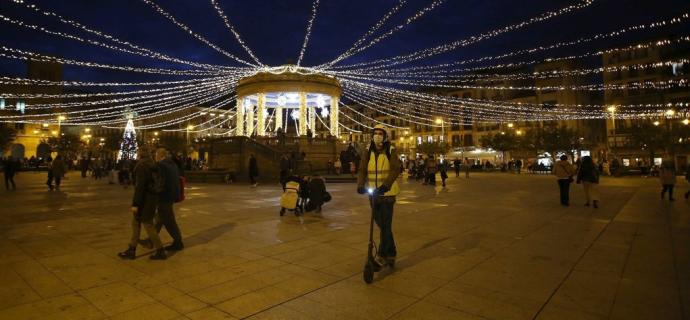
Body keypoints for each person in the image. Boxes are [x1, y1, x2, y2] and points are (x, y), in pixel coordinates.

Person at [357, 124, 401, 269]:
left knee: (385, 225)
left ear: (385, 136)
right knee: (382, 225)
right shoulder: (368, 150)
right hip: (373, 194)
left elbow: (395, 169)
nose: (377, 135)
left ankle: (382, 255)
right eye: (375, 133)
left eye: (380, 133)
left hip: (387, 194)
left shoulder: (390, 150)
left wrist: (386, 186)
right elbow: (362, 169)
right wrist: (360, 185)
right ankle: (392, 253)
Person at [118, 146, 166, 260]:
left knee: (147, 224)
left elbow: (140, 187)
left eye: (138, 152)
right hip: (152, 198)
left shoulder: (141, 166)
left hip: (145, 200)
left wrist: (135, 204)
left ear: (140, 154)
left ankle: (160, 250)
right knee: (137, 223)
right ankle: (132, 249)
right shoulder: (153, 164)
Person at [151, 148, 184, 250]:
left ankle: (178, 242)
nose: (155, 157)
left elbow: (161, 182)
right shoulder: (172, 164)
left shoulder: (161, 165)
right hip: (172, 195)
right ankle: (151, 239)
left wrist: (154, 191)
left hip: (164, 196)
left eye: (155, 155)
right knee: (160, 218)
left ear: (159, 155)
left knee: (169, 221)